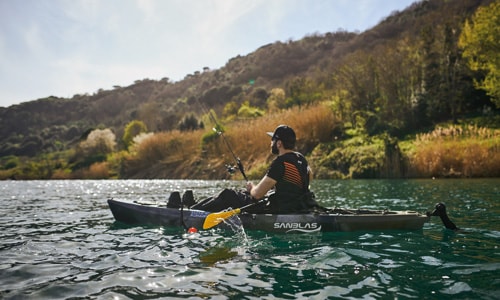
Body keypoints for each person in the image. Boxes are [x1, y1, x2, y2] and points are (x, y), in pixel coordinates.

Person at [189, 125, 319, 213]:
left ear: (279, 143)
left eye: (273, 140)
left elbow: (257, 195)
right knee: (243, 193)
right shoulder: (301, 158)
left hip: (280, 209)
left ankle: (193, 211)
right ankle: (195, 206)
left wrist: (253, 189)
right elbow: (308, 179)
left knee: (228, 194)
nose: (271, 143)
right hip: (296, 206)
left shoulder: (280, 163)